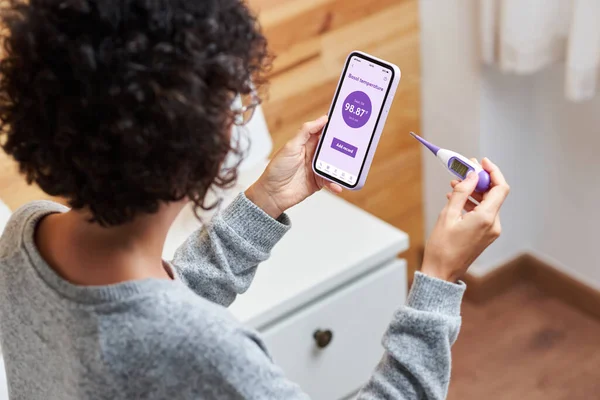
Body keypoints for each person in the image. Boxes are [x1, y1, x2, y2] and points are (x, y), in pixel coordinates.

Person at [0, 1, 510, 399]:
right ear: (201, 138)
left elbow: (149, 318)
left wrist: (266, 200)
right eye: (232, 99)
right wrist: (439, 279)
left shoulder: (25, 234)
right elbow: (165, 336)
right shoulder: (211, 354)